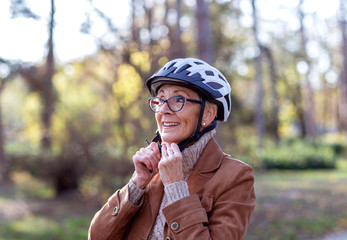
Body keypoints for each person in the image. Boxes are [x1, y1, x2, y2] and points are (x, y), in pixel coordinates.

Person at [88, 58, 256, 240]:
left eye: (178, 99)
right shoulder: (151, 171)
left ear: (207, 114)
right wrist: (136, 184)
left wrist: (176, 187)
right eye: (160, 100)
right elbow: (97, 237)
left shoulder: (236, 177)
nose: (163, 110)